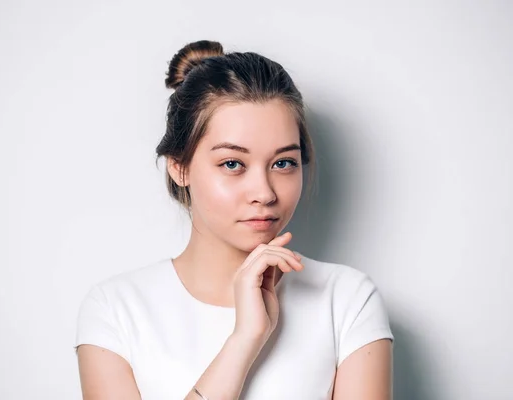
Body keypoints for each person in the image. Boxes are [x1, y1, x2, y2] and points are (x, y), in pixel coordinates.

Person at [74, 40, 394, 400]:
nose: (265, 192)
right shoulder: (116, 309)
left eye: (283, 163)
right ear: (180, 167)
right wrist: (244, 341)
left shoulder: (347, 301)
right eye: (232, 164)